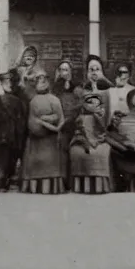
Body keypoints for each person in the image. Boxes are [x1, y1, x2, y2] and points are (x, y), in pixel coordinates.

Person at [21, 69, 66, 194]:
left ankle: (51, 186)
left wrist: (49, 122)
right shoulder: (32, 101)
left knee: (50, 159)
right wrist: (36, 125)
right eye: (39, 80)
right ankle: (33, 186)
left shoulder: (54, 100)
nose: (42, 82)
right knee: (32, 160)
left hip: (50, 138)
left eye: (44, 80)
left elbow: (60, 118)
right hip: (35, 138)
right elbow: (31, 119)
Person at [69, 93, 112, 194]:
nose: (93, 105)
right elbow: (78, 130)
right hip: (82, 139)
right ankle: (82, 185)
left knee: (100, 152)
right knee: (78, 152)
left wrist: (98, 116)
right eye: (90, 103)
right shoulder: (80, 117)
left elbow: (103, 129)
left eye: (96, 103)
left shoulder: (100, 116)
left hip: (99, 139)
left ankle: (101, 185)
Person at [52, 59, 83, 187]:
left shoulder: (77, 87)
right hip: (61, 122)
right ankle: (64, 180)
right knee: (62, 150)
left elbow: (81, 103)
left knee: (75, 150)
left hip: (75, 122)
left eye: (66, 69)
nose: (64, 72)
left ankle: (74, 180)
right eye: (61, 70)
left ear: (71, 71)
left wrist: (73, 116)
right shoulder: (56, 88)